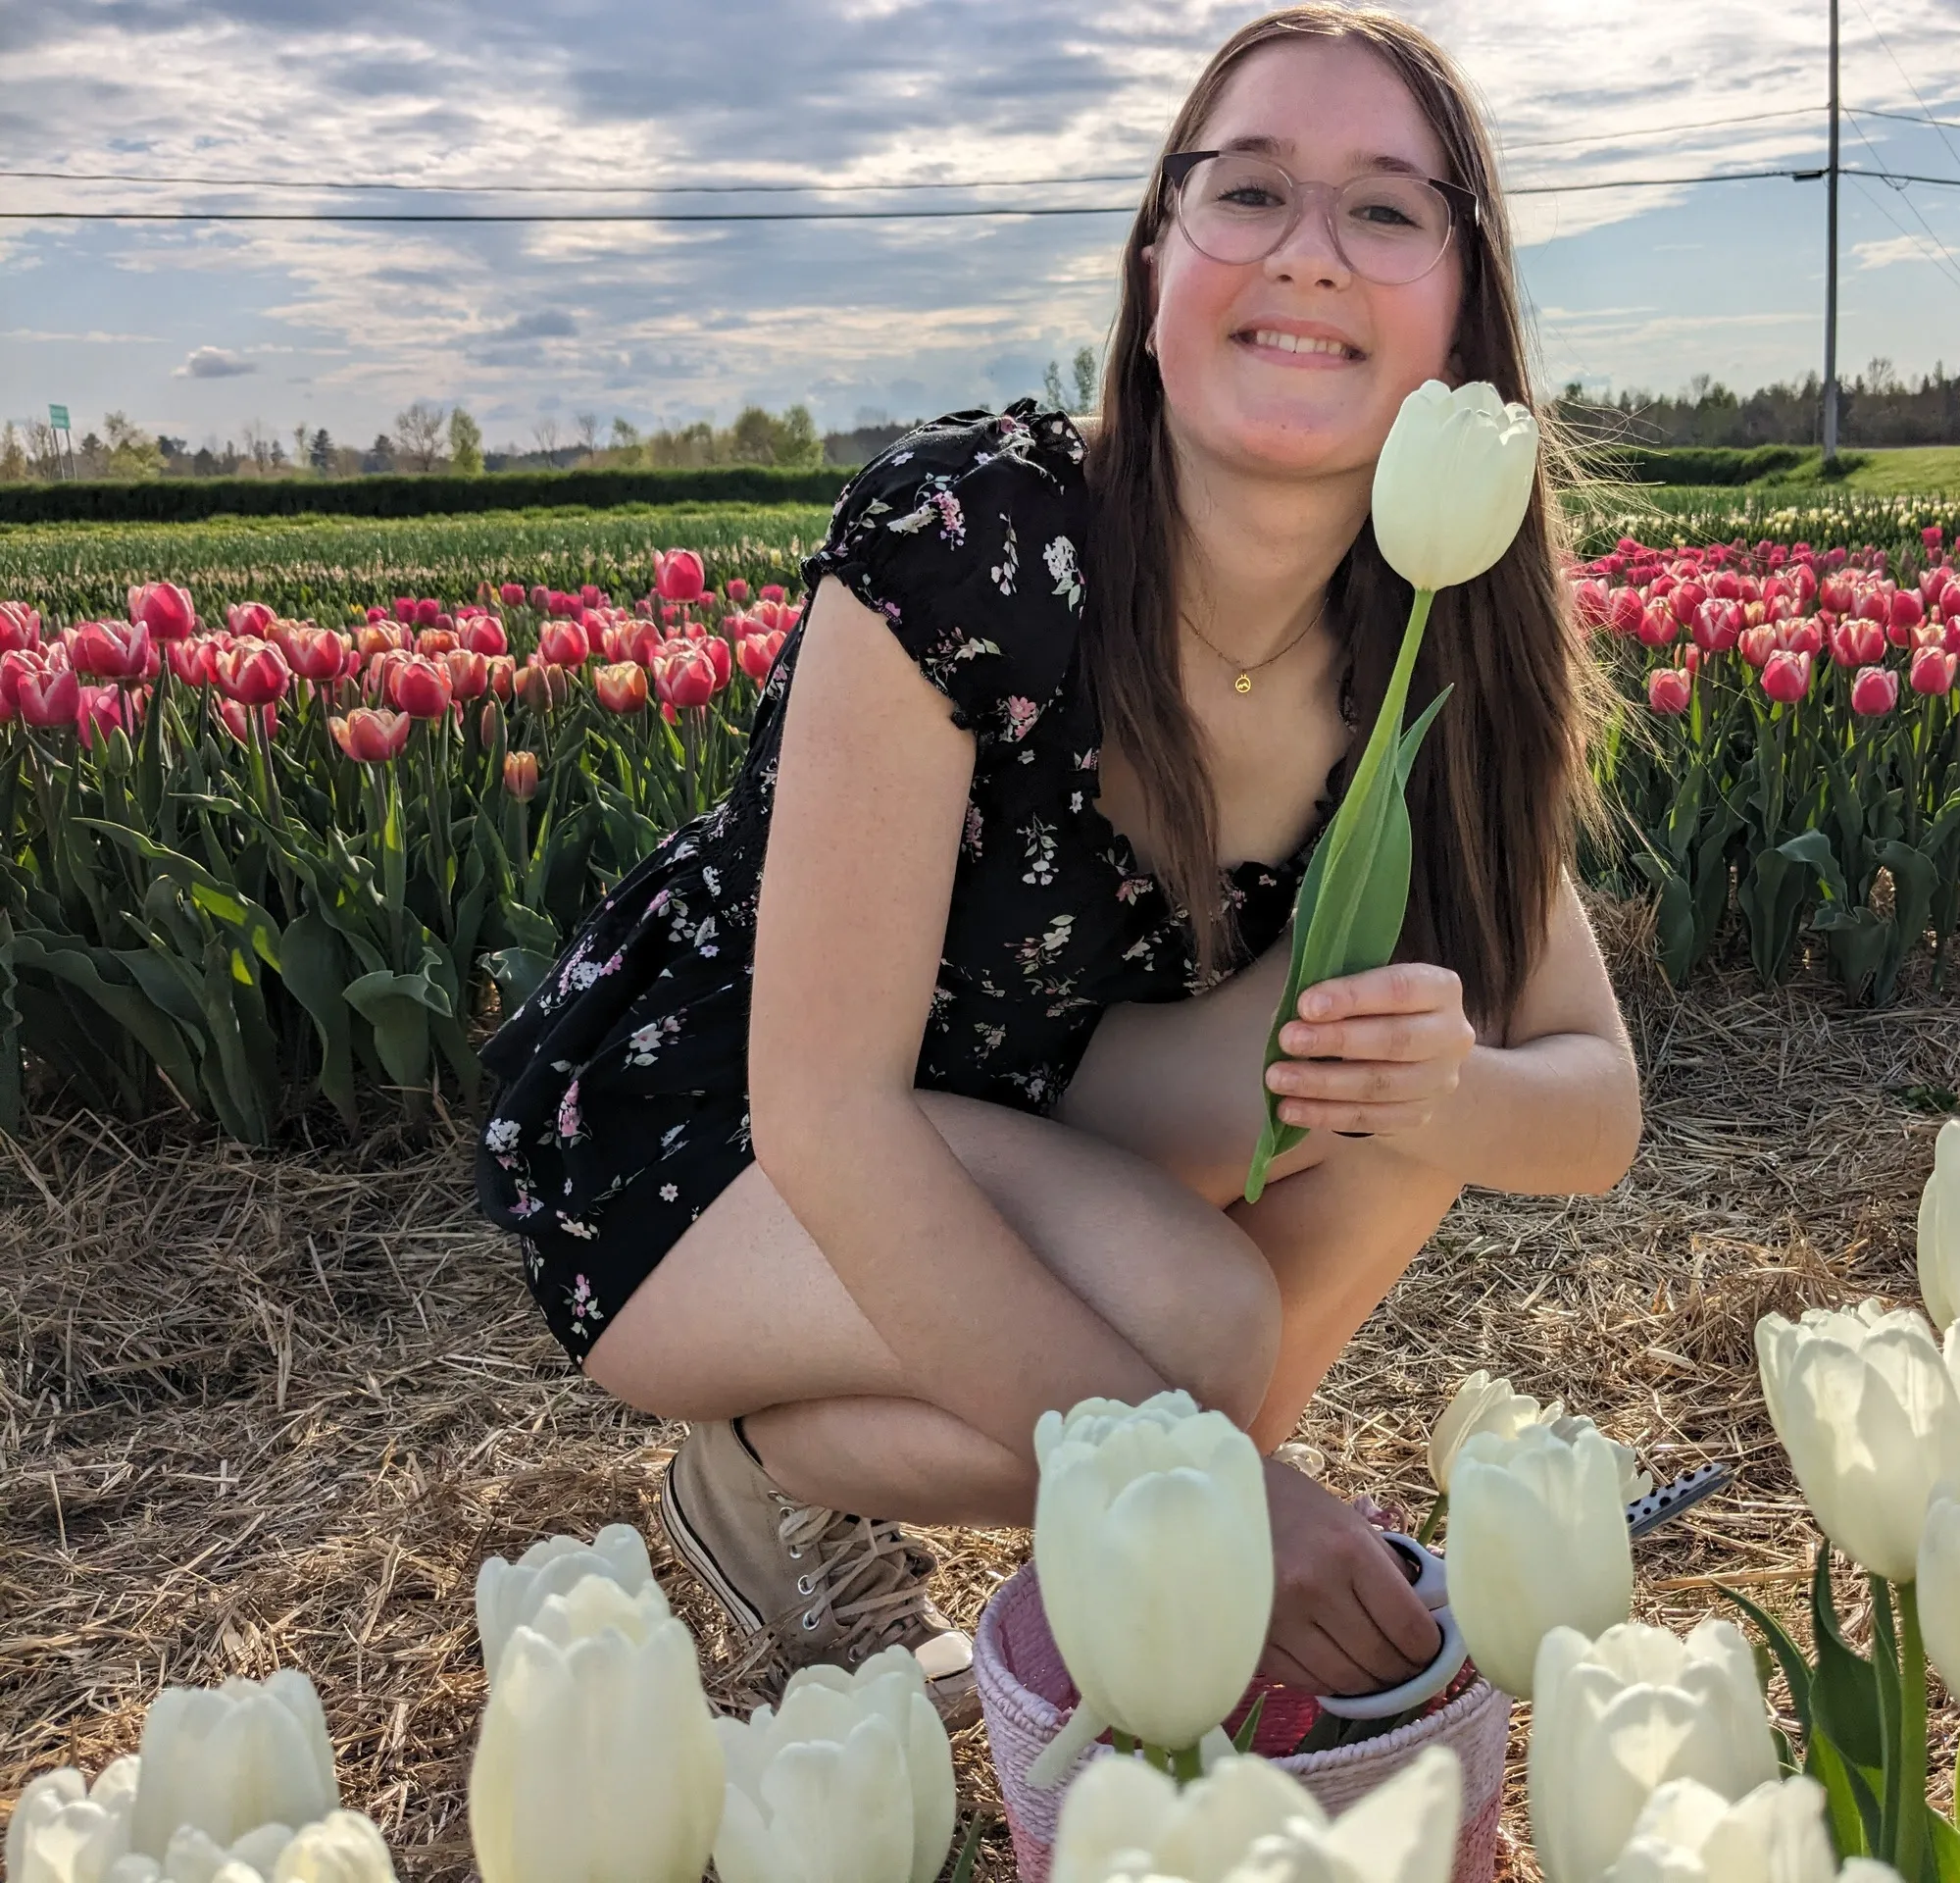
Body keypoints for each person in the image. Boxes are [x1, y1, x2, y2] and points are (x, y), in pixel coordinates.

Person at [475, 1, 1641, 1726]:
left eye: (1388, 209)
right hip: (732, 1141)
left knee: (1392, 1074)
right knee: (1200, 1330)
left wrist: (1446, 1089)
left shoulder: (1435, 653)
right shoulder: (972, 539)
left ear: (1463, 311)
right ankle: (880, 1478)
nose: (1312, 252)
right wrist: (1239, 1502)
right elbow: (824, 1114)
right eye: (1247, 192)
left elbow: (1596, 1104)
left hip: (1036, 1118)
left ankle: (961, 1503)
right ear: (1155, 273)